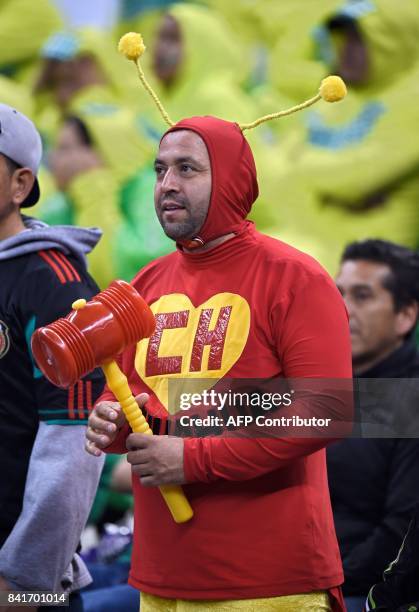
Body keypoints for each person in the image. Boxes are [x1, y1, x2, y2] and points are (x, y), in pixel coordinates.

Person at [84, 76, 354, 610]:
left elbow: (325, 411)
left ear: (230, 178)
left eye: (187, 168)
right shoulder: (144, 283)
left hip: (268, 582)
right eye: (159, 169)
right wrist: (112, 419)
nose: (166, 183)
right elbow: (139, 400)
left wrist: (193, 460)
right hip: (159, 578)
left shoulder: (294, 277)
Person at [0, 103, 105, 610]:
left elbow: (72, 443)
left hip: (19, 582)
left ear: (20, 185)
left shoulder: (54, 282)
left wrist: (25, 582)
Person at [327, 239, 419, 612]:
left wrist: (318, 585)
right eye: (337, 294)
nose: (342, 310)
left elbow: (400, 534)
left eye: (362, 296)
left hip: (350, 592)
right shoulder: (305, 385)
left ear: (405, 317)